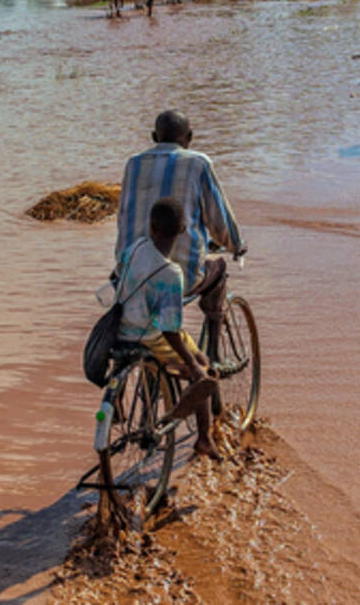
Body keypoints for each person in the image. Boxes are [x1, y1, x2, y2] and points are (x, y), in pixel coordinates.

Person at [114, 110, 244, 366]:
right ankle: (214, 357)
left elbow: (123, 218)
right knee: (218, 269)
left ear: (154, 137)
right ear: (190, 137)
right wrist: (236, 245)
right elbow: (220, 223)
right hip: (178, 274)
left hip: (129, 273)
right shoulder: (198, 163)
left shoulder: (134, 163)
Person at [116, 197, 220, 459]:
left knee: (187, 355)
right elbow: (170, 330)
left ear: (151, 228)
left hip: (121, 328)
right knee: (202, 362)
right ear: (182, 231)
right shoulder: (171, 273)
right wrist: (194, 367)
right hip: (149, 336)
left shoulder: (135, 248)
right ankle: (204, 438)